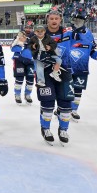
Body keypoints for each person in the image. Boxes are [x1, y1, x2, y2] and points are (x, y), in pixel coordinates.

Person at [38, 8, 75, 145]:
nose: (54, 21)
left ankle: (63, 129)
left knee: (66, 103)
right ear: (47, 19)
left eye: (56, 18)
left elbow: (85, 43)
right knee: (47, 103)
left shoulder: (69, 32)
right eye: (51, 18)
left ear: (60, 19)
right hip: (44, 72)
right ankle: (45, 128)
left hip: (65, 71)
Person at [65, 10, 97, 122]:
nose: (77, 22)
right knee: (65, 90)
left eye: (80, 20)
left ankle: (73, 110)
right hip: (66, 67)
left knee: (78, 90)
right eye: (75, 19)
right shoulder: (67, 32)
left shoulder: (88, 34)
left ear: (84, 21)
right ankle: (63, 108)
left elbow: (92, 50)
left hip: (81, 67)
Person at [10, 22, 35, 104]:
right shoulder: (18, 36)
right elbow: (13, 49)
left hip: (31, 61)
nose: (28, 29)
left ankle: (27, 94)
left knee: (30, 79)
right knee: (19, 78)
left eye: (30, 27)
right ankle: (17, 94)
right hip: (19, 60)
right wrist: (22, 44)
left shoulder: (35, 37)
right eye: (26, 27)